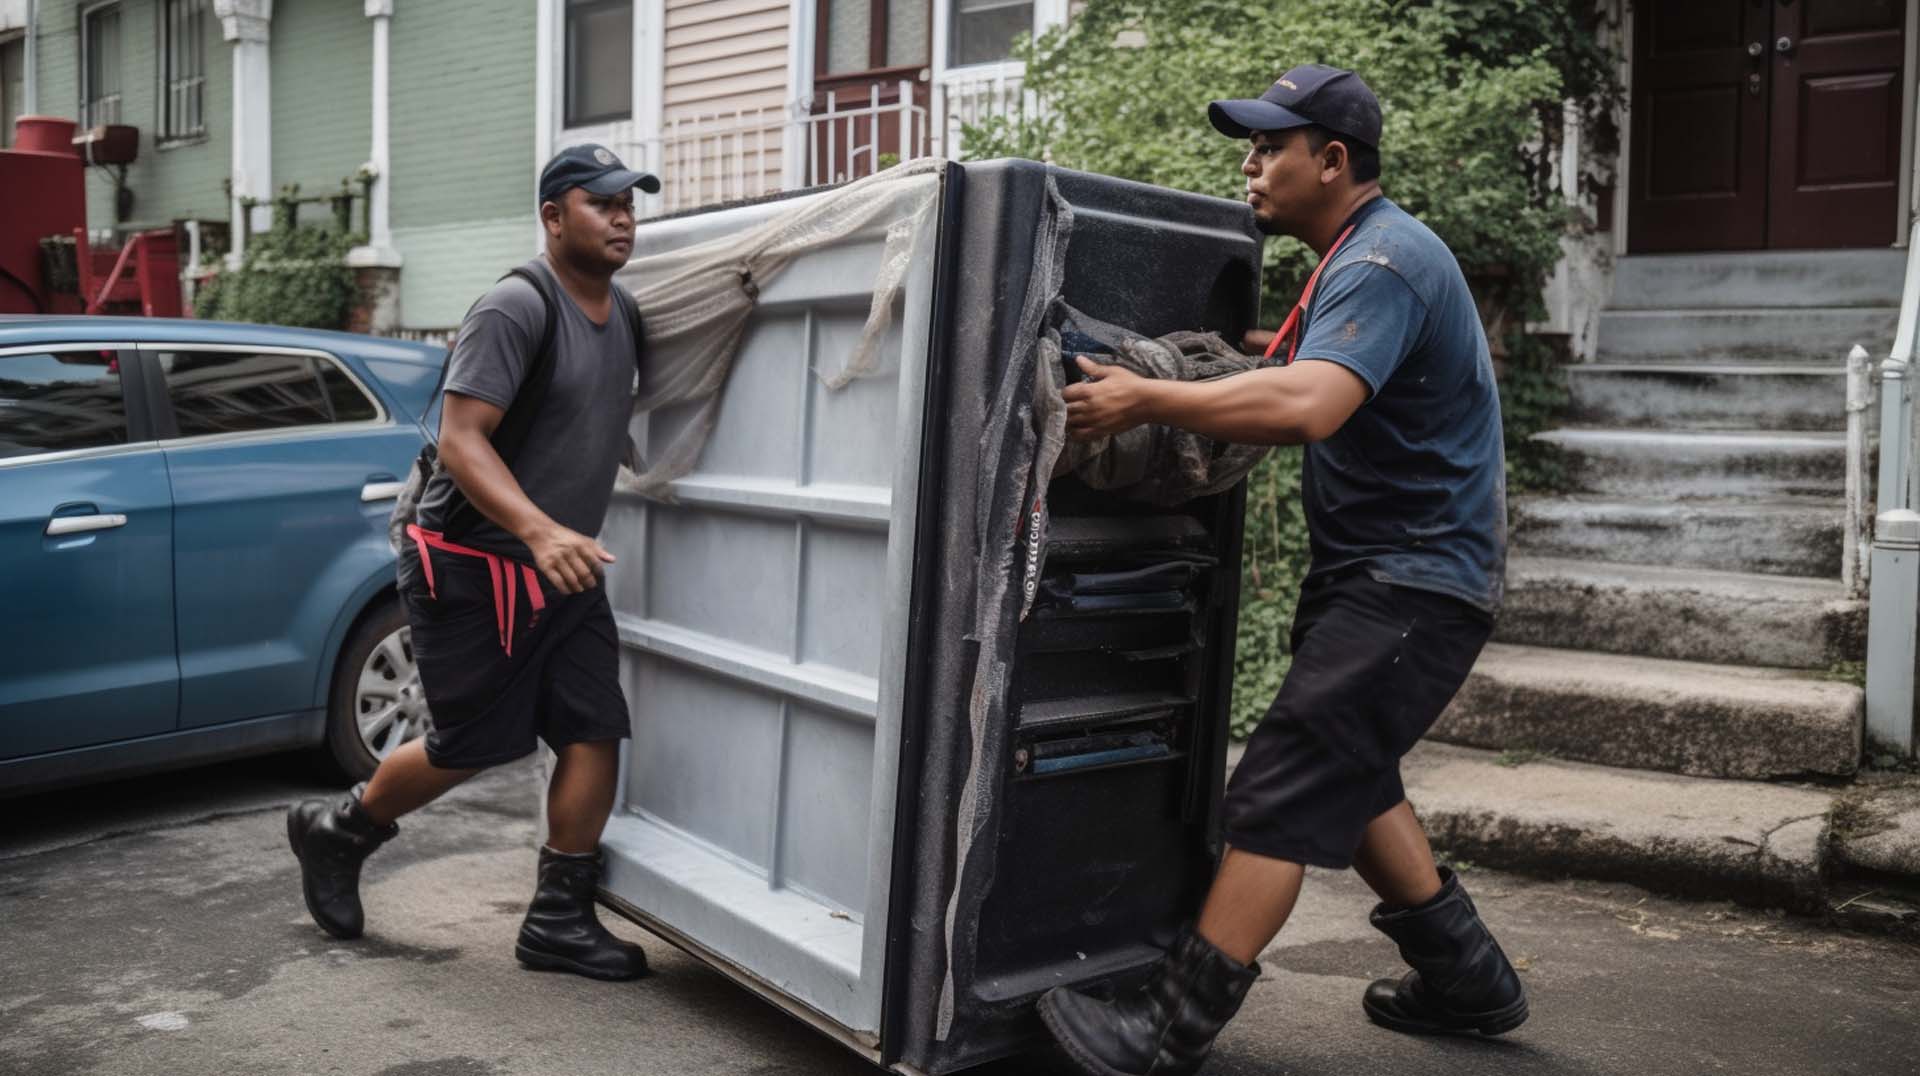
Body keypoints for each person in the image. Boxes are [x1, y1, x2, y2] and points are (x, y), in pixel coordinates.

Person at [1036, 65, 1525, 1076]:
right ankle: (1468, 976)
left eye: (1270, 148)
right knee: (1350, 768)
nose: (1251, 166)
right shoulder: (1351, 257)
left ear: (1332, 160)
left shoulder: (1382, 262)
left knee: (1277, 792)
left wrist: (1145, 401)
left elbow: (1306, 404)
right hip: (1384, 575)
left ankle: (1167, 1029)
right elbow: (1271, 367)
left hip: (1414, 582)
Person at [286, 144, 662, 982]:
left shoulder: (625, 313)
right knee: (472, 744)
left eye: (630, 203)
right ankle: (338, 830)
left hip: (562, 565)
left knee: (594, 726)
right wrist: (538, 531)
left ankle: (558, 919)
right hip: (474, 564)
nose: (623, 217)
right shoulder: (515, 307)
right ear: (553, 216)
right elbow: (461, 442)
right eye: (602, 203)